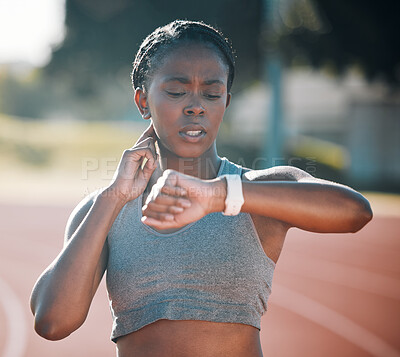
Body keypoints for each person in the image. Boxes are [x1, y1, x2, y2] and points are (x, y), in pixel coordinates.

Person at [30, 20, 373, 357]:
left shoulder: (256, 191)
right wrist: (113, 198)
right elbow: (53, 323)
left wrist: (219, 195)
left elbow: (355, 212)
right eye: (177, 91)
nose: (196, 106)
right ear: (142, 101)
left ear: (226, 101)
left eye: (212, 93)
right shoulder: (105, 211)